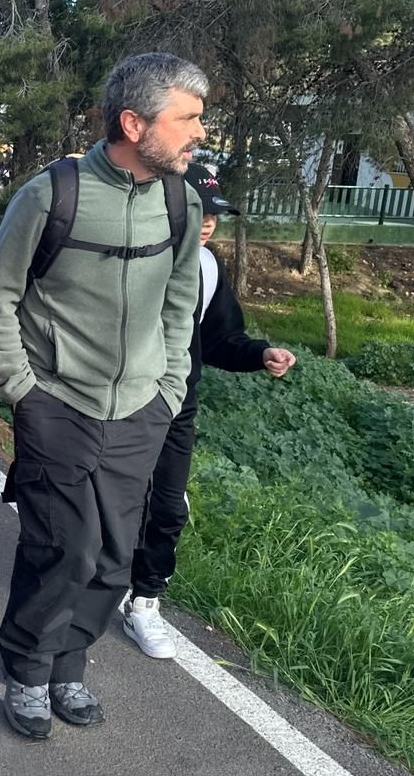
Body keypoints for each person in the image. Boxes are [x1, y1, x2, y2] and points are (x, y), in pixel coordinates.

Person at [0, 52, 207, 740]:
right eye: (187, 118)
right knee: (64, 549)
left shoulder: (181, 201)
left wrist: (168, 390)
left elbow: (181, 299)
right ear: (135, 123)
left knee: (114, 556)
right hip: (58, 407)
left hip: (141, 412)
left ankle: (69, 664)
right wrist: (22, 391)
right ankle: (27, 665)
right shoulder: (52, 194)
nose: (200, 131)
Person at [120, 163, 296, 658]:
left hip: (177, 404)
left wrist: (260, 354)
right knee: (109, 501)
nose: (209, 223)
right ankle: (97, 579)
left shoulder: (208, 266)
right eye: (200, 210)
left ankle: (145, 602)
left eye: (215, 214)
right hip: (117, 401)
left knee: (169, 506)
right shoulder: (133, 254)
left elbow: (218, 339)